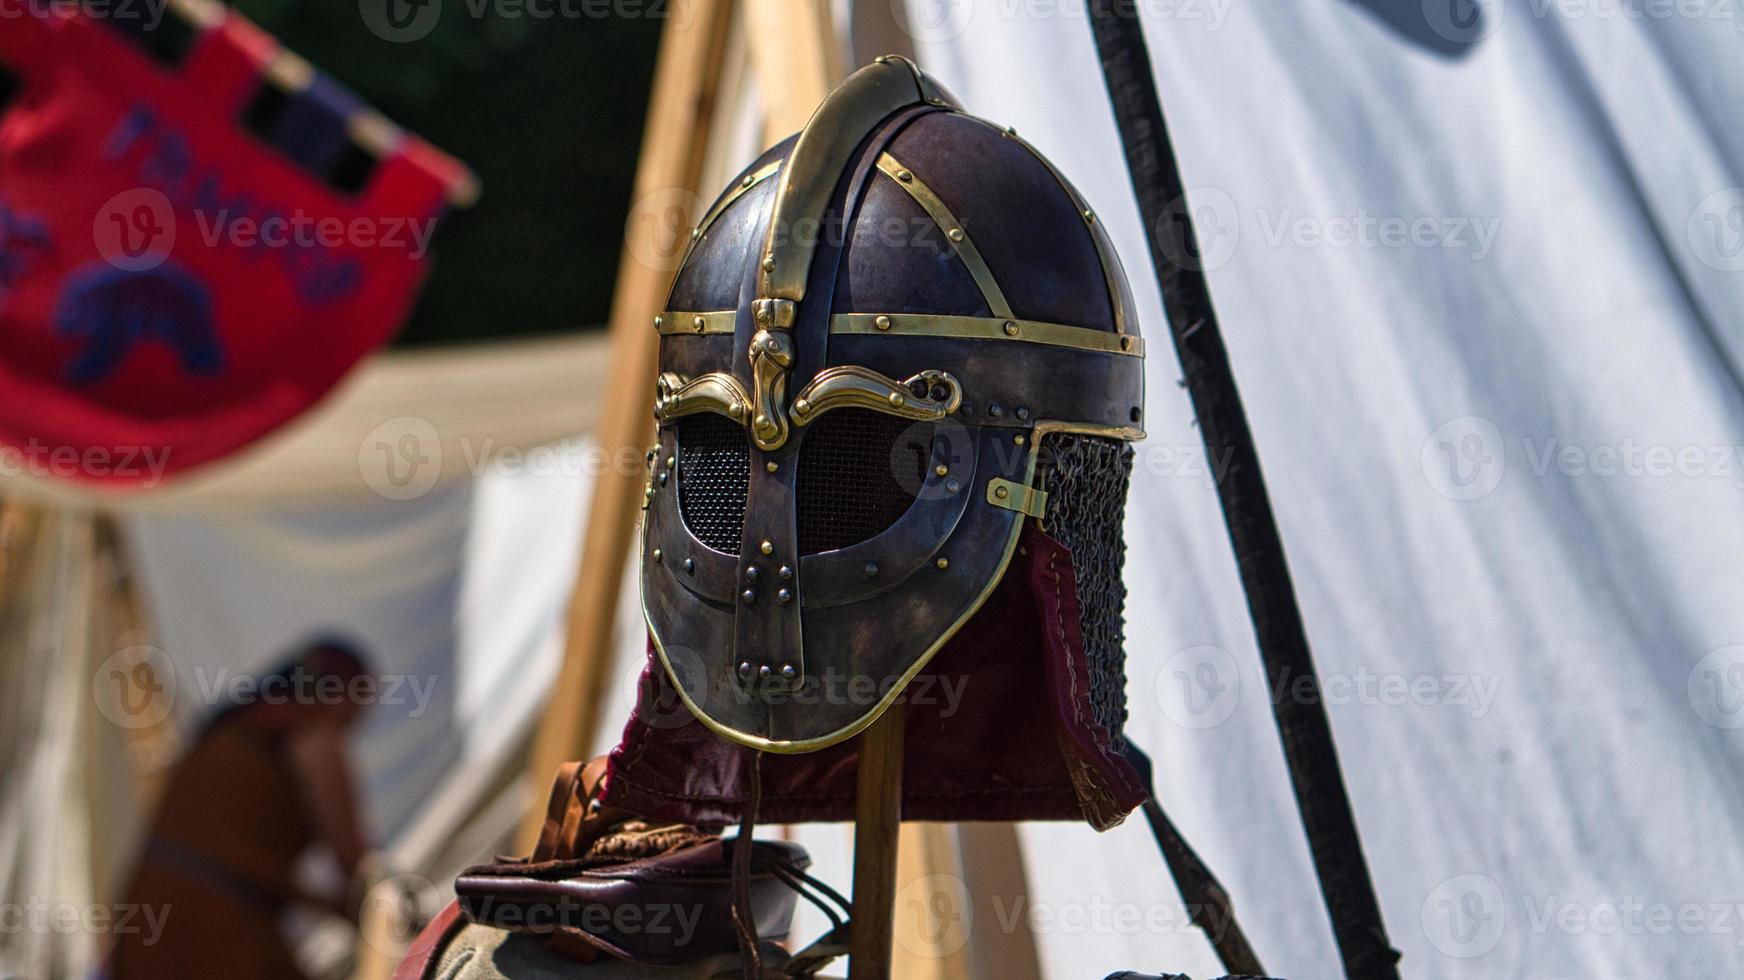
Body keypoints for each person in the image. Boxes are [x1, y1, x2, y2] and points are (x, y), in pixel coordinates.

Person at [107, 638, 375, 980]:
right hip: (213, 929)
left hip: (145, 921)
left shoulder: (231, 730)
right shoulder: (311, 735)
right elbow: (355, 864)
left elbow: (234, 860)